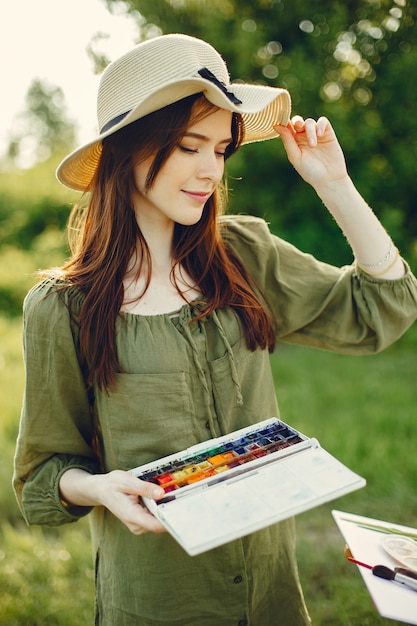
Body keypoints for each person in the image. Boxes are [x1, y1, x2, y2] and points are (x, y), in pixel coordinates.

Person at [13, 33, 417, 626]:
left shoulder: (242, 253)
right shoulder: (62, 308)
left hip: (271, 593)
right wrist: (99, 489)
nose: (211, 171)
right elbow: (42, 478)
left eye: (222, 150)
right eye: (188, 146)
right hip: (157, 601)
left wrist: (334, 183)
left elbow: (383, 307)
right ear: (128, 150)